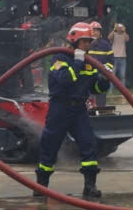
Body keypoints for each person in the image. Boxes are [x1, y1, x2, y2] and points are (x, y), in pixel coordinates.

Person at [35, 22, 110, 200]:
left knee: (88, 144)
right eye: (85, 41)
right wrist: (77, 63)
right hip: (60, 108)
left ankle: (90, 186)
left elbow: (95, 89)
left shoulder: (89, 62)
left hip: (79, 109)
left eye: (89, 41)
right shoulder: (60, 59)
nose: (88, 45)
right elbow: (63, 80)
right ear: (75, 40)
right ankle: (41, 186)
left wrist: (105, 80)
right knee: (50, 145)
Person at [88, 21, 114, 107]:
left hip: (101, 76)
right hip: (89, 76)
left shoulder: (105, 45)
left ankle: (101, 111)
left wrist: (107, 68)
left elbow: (111, 60)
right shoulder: (86, 44)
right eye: (93, 30)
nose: (95, 32)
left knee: (101, 97)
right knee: (88, 98)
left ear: (100, 32)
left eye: (97, 30)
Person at [108, 23, 130, 87]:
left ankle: (123, 92)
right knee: (112, 75)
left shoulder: (124, 35)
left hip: (123, 57)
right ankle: (110, 91)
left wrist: (124, 31)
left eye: (121, 27)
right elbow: (109, 37)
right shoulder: (114, 34)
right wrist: (114, 29)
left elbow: (127, 39)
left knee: (122, 75)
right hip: (114, 57)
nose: (119, 28)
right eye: (118, 27)